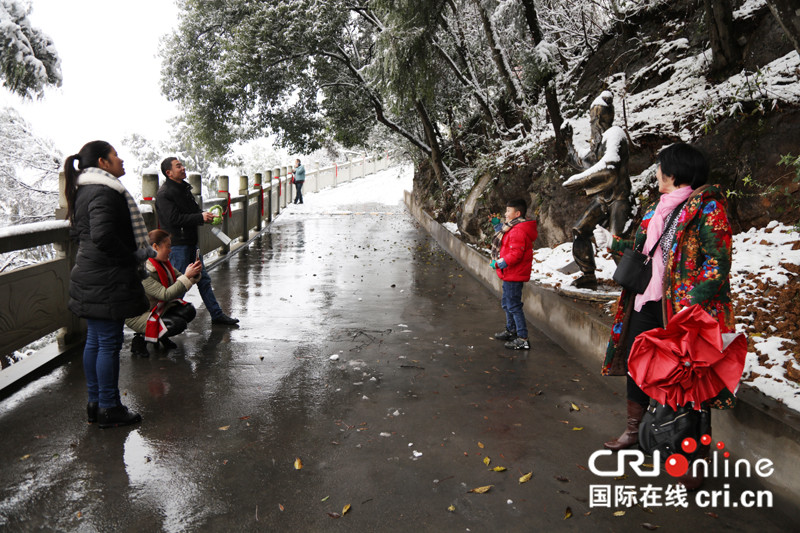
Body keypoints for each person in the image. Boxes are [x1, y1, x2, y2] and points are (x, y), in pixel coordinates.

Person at [595, 143, 733, 486]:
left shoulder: (708, 207)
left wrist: (690, 302)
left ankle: (690, 460)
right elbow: (644, 249)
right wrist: (612, 243)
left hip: (684, 310)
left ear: (673, 172)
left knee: (688, 382)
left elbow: (718, 262)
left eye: (659, 167)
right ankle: (634, 432)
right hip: (647, 300)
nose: (656, 173)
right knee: (636, 363)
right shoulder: (657, 208)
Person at [65, 141, 150, 429]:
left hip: (90, 273)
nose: (120, 159)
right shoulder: (105, 191)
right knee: (108, 343)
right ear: (102, 162)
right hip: (107, 278)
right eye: (115, 155)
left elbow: (81, 233)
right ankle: (109, 407)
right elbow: (102, 236)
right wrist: (133, 256)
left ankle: (95, 404)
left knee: (95, 341)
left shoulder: (83, 190)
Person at [155, 157, 239, 325]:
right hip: (177, 245)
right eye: (178, 166)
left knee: (203, 280)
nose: (183, 168)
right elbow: (173, 219)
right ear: (168, 172)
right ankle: (159, 322)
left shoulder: (183, 189)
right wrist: (199, 217)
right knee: (179, 286)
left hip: (191, 243)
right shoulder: (165, 193)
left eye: (182, 165)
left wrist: (207, 216)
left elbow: (193, 212)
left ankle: (216, 315)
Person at [562, 91, 631, 289]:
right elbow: (584, 163)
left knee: (617, 241)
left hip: (620, 197)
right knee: (579, 230)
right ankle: (588, 274)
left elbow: (609, 168)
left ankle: (631, 283)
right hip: (603, 199)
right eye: (592, 118)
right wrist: (568, 143)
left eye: (597, 117)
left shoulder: (615, 135)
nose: (594, 122)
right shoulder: (599, 142)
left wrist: (581, 181)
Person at [127, 229, 201, 356]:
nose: (170, 250)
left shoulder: (163, 264)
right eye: (168, 247)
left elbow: (180, 279)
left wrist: (193, 274)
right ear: (155, 247)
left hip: (156, 307)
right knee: (176, 324)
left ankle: (160, 336)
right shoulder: (144, 269)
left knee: (188, 310)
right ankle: (140, 340)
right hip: (138, 314)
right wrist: (187, 276)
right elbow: (165, 294)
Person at [490, 199, 539, 350]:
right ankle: (511, 330)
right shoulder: (513, 227)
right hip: (510, 274)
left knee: (514, 305)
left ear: (517, 213)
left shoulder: (518, 230)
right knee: (507, 303)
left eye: (508, 211)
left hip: (514, 274)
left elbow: (516, 254)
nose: (505, 214)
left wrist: (499, 263)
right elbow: (505, 238)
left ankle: (522, 338)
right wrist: (497, 225)